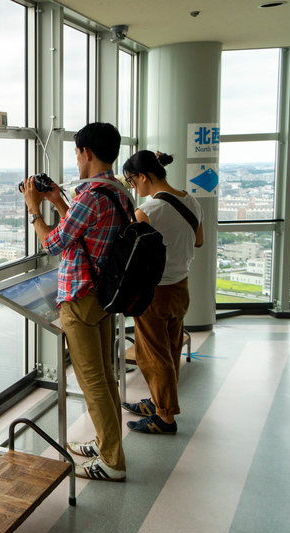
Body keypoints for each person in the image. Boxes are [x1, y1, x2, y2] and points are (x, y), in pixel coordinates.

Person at [21, 122, 132, 482]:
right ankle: (105, 443)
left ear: (86, 152)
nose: (76, 158)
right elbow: (85, 229)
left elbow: (54, 243)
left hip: (80, 297)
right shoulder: (117, 191)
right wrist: (57, 200)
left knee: (91, 381)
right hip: (102, 295)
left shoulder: (90, 196)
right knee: (105, 377)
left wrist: (35, 209)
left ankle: (113, 461)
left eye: (77, 152)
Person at [120, 151, 204, 434]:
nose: (134, 187)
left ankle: (165, 417)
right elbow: (199, 240)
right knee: (170, 349)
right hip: (181, 286)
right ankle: (158, 403)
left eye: (133, 181)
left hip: (155, 292)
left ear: (143, 176)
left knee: (153, 356)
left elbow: (130, 253)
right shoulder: (190, 200)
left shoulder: (148, 211)